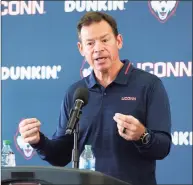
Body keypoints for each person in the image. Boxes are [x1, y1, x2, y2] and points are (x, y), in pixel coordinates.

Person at [19, 12, 172, 185]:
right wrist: (39, 141)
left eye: (105, 40)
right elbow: (61, 156)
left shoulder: (149, 85)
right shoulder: (76, 92)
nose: (98, 48)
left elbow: (163, 148)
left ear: (119, 41)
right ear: (81, 49)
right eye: (90, 43)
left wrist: (142, 135)